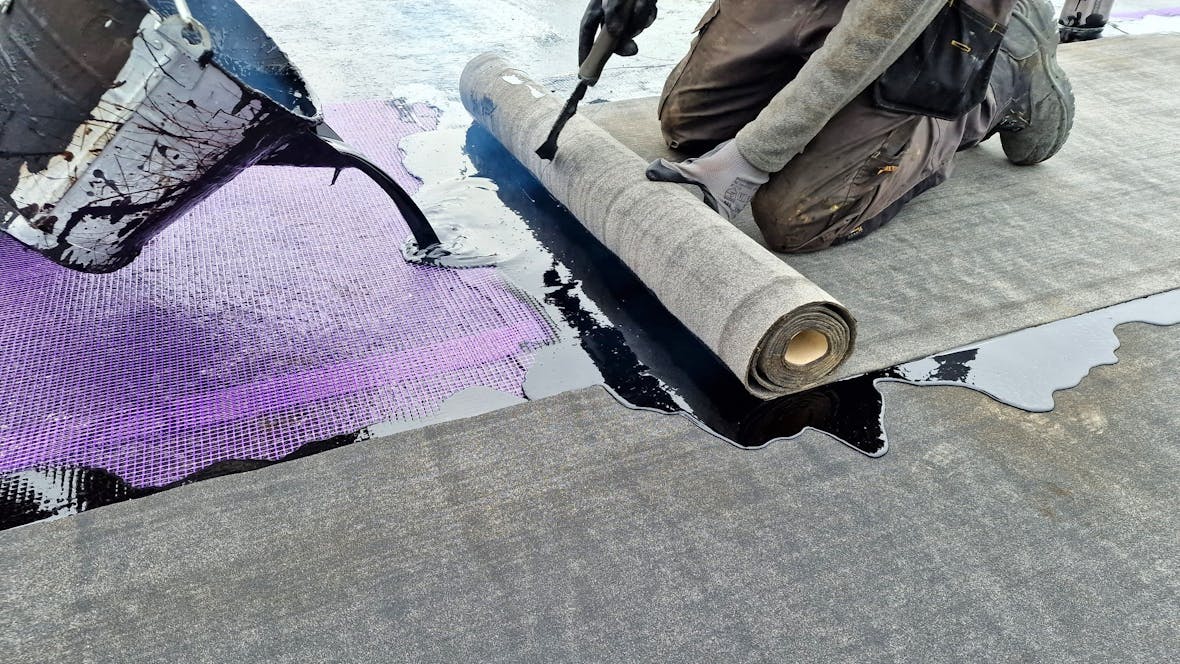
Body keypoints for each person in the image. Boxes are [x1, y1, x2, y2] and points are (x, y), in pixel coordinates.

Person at [578, 0, 1075, 253]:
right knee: (692, 129)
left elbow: (877, 26)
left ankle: (1005, 67)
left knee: (798, 218)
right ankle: (814, 84)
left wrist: (752, 156)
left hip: (916, 15)